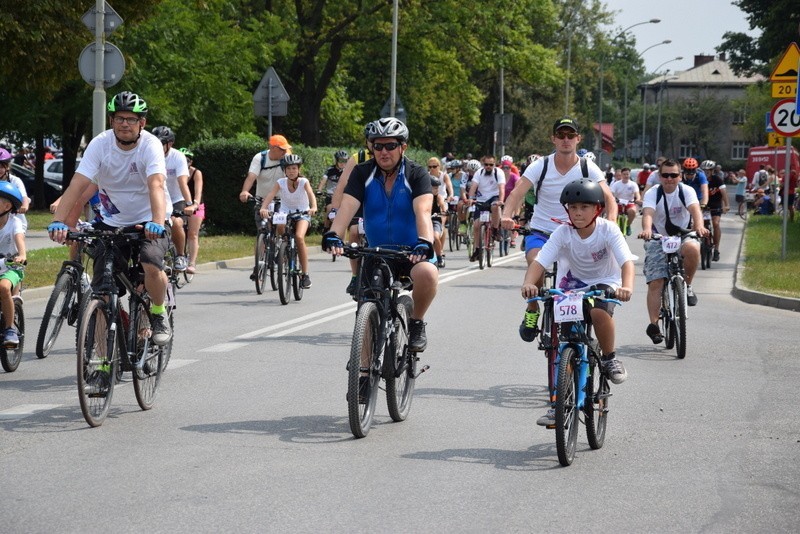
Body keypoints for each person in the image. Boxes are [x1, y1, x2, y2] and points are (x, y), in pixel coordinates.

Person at [47, 91, 173, 346]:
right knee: (103, 289)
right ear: (112, 121)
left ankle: (158, 313)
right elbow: (77, 185)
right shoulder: (100, 144)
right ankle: (101, 364)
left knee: (150, 262)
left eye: (131, 119)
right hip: (112, 222)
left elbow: (156, 185)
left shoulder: (150, 146)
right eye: (119, 118)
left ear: (142, 123)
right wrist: (59, 221)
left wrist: (157, 223)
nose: (125, 123)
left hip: (149, 220)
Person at [521, 179, 633, 425]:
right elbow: (539, 262)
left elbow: (626, 263)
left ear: (597, 210)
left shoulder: (608, 230)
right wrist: (530, 282)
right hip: (570, 286)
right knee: (565, 343)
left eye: (584, 207)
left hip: (605, 281)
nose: (578, 212)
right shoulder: (563, 232)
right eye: (573, 207)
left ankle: (609, 357)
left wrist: (626, 287)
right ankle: (558, 404)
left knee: (598, 313)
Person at [323, 117, 437, 352]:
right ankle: (364, 375)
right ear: (370, 147)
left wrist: (424, 241)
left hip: (412, 252)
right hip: (377, 253)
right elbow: (347, 207)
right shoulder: (361, 173)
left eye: (391, 146)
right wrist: (334, 233)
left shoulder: (416, 174)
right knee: (366, 314)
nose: (384, 152)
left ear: (403, 147)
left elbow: (423, 210)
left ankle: (416, 322)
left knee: (427, 272)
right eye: (378, 146)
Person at [502, 117, 617, 342]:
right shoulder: (541, 165)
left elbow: (608, 197)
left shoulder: (586, 166)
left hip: (574, 233)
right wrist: (506, 215)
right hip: (542, 231)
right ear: (553, 139)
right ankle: (533, 308)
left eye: (570, 135)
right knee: (535, 260)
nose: (566, 140)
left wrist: (611, 221)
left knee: (576, 278)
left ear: (578, 139)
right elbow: (517, 192)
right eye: (561, 135)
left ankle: (575, 322)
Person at [638, 159, 708, 343]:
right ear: (659, 176)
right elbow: (648, 214)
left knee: (693, 247)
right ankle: (654, 326)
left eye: (674, 175)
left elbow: (695, 212)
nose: (669, 179)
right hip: (658, 237)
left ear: (680, 176)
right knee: (656, 281)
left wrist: (699, 227)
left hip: (683, 234)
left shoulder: (687, 191)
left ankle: (688, 286)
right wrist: (646, 230)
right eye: (665, 175)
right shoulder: (654, 192)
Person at [258, 154, 317, 289]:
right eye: (289, 169)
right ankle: (283, 248)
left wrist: (313, 207)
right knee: (280, 225)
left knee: (299, 237)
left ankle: (305, 274)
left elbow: (310, 194)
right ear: (285, 170)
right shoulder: (281, 182)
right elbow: (270, 196)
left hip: (302, 212)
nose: (291, 171)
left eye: (294, 168)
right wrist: (263, 208)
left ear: (298, 169)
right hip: (285, 211)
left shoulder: (304, 182)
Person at [152, 126, 196, 271]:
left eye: (160, 143)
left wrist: (190, 204)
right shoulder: (149, 154)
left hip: (176, 198)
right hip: (157, 198)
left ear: (169, 144)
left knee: (176, 223)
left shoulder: (177, 157)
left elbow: (182, 182)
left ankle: (180, 255)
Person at [239, 134, 292, 225]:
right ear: (273, 148)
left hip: (281, 200)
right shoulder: (260, 158)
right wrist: (245, 191)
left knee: (282, 228)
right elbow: (251, 177)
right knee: (262, 228)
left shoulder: (287, 158)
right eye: (282, 149)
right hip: (262, 200)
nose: (285, 152)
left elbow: (294, 177)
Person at [0, 182, 26, 347]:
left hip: (11, 266)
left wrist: (22, 254)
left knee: (3, 287)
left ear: (7, 205)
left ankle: (10, 329)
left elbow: (19, 239)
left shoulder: (14, 222)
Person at [467, 155, 505, 261]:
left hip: (494, 197)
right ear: (483, 164)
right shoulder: (479, 173)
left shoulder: (499, 173)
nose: (488, 167)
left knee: (495, 207)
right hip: (481, 199)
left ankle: (496, 230)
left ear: (494, 164)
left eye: (491, 165)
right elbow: (473, 186)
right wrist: (470, 198)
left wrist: (500, 201)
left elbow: (501, 188)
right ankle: (477, 249)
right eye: (486, 164)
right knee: (476, 225)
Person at [180, 148, 204, 274]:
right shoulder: (176, 171)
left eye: (187, 160)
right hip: (180, 204)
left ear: (191, 162)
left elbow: (198, 191)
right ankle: (178, 256)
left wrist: (195, 204)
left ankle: (192, 262)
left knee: (192, 234)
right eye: (183, 159)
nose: (185, 162)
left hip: (196, 205)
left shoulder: (196, 173)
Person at [702, 160, 729, 261]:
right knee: (701, 224)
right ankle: (703, 244)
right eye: (704, 170)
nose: (706, 172)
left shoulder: (717, 179)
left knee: (716, 224)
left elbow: (723, 192)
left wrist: (726, 205)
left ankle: (716, 249)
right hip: (704, 205)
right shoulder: (700, 179)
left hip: (715, 205)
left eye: (708, 171)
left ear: (712, 171)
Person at [317, 150, 348, 231]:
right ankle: (326, 228)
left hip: (342, 196)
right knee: (329, 208)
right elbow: (323, 180)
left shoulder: (347, 171)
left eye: (345, 161)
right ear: (336, 161)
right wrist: (319, 189)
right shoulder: (330, 170)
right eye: (340, 161)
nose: (342, 163)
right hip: (330, 195)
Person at [0, 148, 31, 231]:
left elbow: (24, 196)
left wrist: (24, 206)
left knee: (16, 241)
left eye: (1, 167)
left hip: (14, 222)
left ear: (7, 167)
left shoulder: (15, 180)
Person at [609, 167, 641, 236]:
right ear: (621, 175)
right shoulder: (616, 184)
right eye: (624, 174)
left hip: (629, 203)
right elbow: (611, 194)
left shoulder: (633, 184)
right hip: (618, 203)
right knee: (612, 213)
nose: (626, 176)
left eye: (627, 174)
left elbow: (637, 194)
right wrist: (612, 200)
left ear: (629, 175)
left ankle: (628, 225)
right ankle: (613, 228)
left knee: (632, 211)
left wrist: (638, 199)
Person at [429, 176, 448, 268]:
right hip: (424, 221)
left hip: (435, 220)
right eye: (434, 187)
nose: (436, 190)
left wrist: (444, 212)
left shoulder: (438, 198)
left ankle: (439, 256)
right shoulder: (422, 197)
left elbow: (443, 208)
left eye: (437, 188)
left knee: (435, 237)